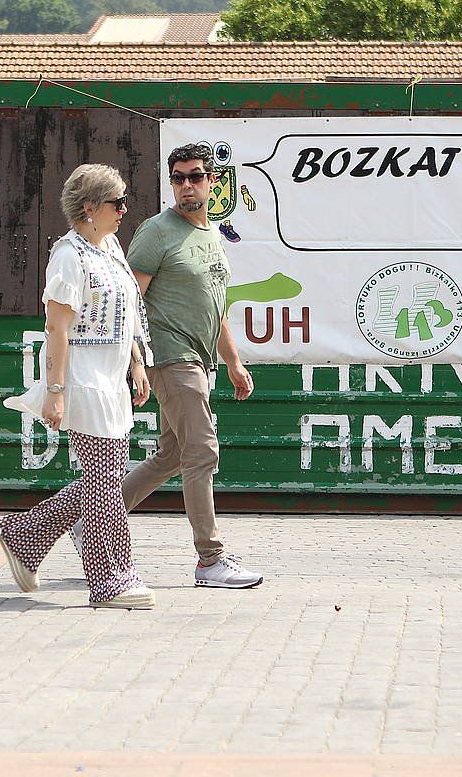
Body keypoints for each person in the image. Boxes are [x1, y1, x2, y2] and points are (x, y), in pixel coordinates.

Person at [0, 164, 156, 610]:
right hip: (83, 379)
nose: (124, 210)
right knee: (104, 483)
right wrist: (57, 390)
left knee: (103, 480)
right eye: (115, 202)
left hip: (112, 377)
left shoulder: (111, 249)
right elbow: (57, 329)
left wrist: (137, 363)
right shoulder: (69, 256)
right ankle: (110, 580)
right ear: (89, 208)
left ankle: (24, 534)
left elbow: (128, 315)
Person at [119, 142, 263, 589]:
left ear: (212, 181)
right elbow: (127, 301)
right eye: (178, 177)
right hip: (170, 355)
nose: (186, 185)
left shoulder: (210, 235)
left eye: (195, 176)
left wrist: (234, 363)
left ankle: (94, 519)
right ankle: (210, 560)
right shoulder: (156, 231)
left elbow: (214, 307)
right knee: (202, 451)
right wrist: (136, 361)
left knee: (173, 455)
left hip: (200, 360)